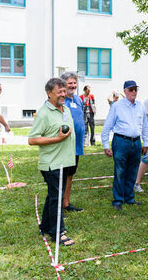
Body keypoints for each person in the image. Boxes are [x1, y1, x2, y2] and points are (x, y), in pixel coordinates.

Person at [28, 78, 76, 246]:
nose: (63, 94)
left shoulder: (65, 109)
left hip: (64, 161)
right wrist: (57, 139)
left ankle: (46, 226)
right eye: (59, 92)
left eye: (64, 91)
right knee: (57, 198)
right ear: (49, 93)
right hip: (52, 163)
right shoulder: (43, 113)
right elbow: (32, 140)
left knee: (53, 195)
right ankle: (58, 233)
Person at [101, 80, 148, 210]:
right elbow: (107, 127)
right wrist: (106, 145)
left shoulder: (140, 106)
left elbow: (145, 126)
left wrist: (146, 143)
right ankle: (117, 200)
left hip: (136, 142)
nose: (134, 92)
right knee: (120, 171)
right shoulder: (117, 106)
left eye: (135, 89)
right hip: (121, 141)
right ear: (125, 91)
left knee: (133, 171)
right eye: (131, 89)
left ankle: (129, 198)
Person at [60, 72, 85, 212]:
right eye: (70, 83)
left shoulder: (78, 100)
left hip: (76, 145)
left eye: (74, 83)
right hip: (64, 144)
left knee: (70, 175)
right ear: (63, 83)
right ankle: (57, 207)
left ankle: (66, 203)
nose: (73, 85)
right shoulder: (61, 100)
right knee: (61, 176)